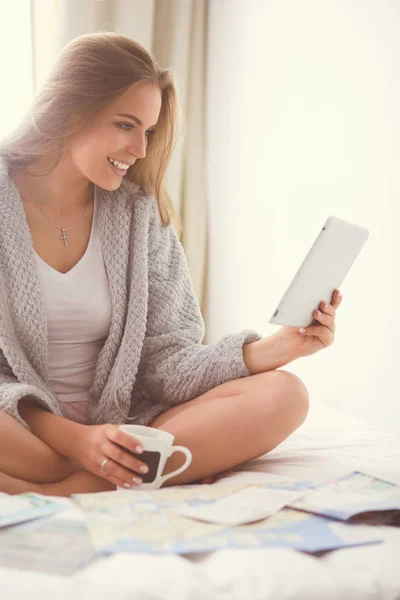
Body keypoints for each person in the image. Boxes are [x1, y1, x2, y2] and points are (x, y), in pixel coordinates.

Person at [0, 32, 342, 497]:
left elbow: (168, 359)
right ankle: (97, 476)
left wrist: (276, 350)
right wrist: (77, 441)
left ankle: (62, 488)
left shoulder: (139, 217)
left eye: (149, 132)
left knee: (284, 395)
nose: (140, 150)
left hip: (125, 428)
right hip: (25, 431)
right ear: (70, 108)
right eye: (126, 125)